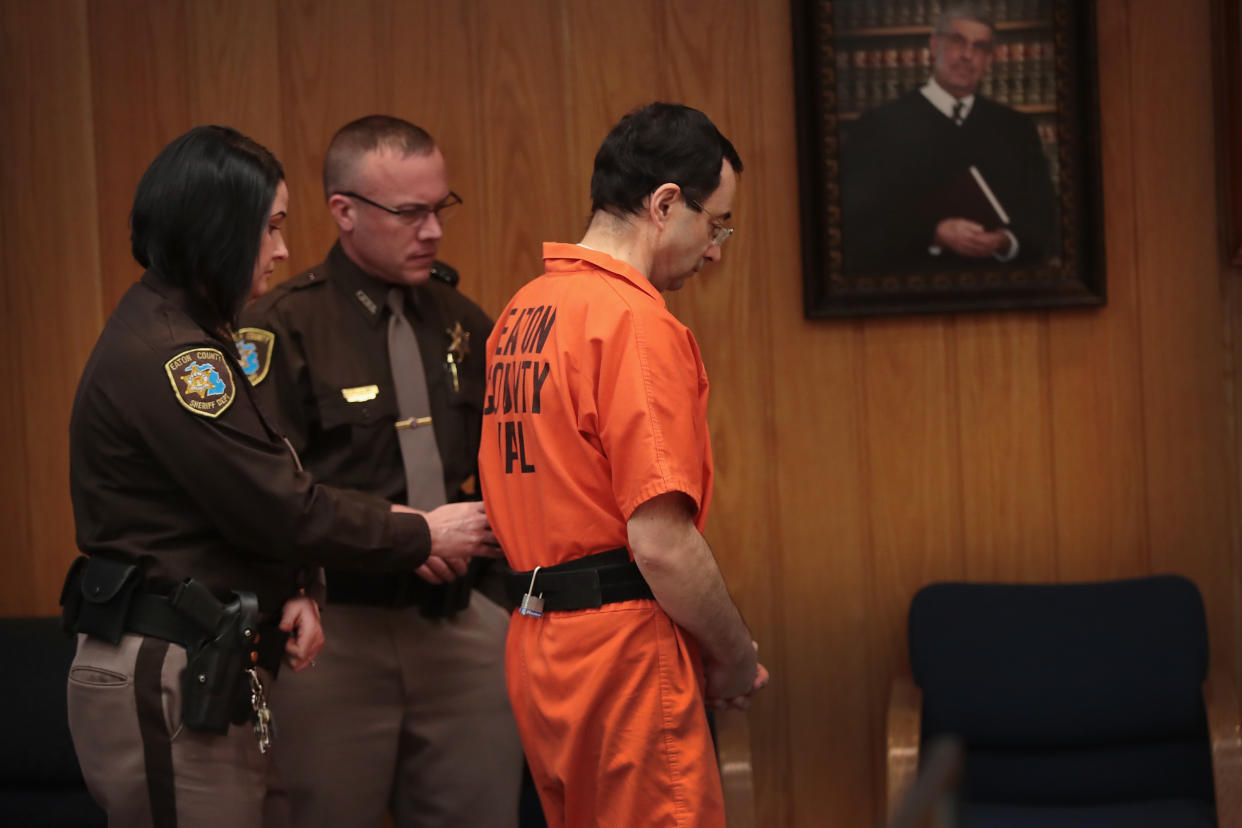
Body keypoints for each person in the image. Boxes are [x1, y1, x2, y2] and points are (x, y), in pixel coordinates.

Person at [62, 125, 496, 828]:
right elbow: (280, 504)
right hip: (170, 656)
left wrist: (290, 586)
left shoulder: (193, 334)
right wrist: (419, 533)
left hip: (217, 649)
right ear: (217, 231)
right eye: (270, 227)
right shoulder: (176, 359)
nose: (283, 248)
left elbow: (245, 494)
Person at [477, 102, 770, 828]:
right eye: (716, 224)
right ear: (666, 204)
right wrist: (733, 657)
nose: (715, 251)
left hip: (539, 646)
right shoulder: (633, 322)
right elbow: (662, 542)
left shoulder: (525, 311)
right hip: (621, 660)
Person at [240, 116, 523, 828]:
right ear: (344, 213)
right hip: (338, 639)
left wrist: (496, 597)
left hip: (460, 631)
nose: (432, 231)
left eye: (440, 208)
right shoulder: (282, 327)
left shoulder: (463, 321)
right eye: (410, 213)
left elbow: (511, 467)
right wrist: (406, 533)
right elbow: (270, 495)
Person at [840, 3, 1057, 273]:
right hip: (911, 291)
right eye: (957, 41)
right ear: (934, 47)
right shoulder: (877, 126)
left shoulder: (1017, 128)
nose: (967, 55)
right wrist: (934, 234)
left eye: (980, 47)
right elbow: (857, 223)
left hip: (997, 290)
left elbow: (1043, 217)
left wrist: (1006, 241)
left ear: (990, 59)